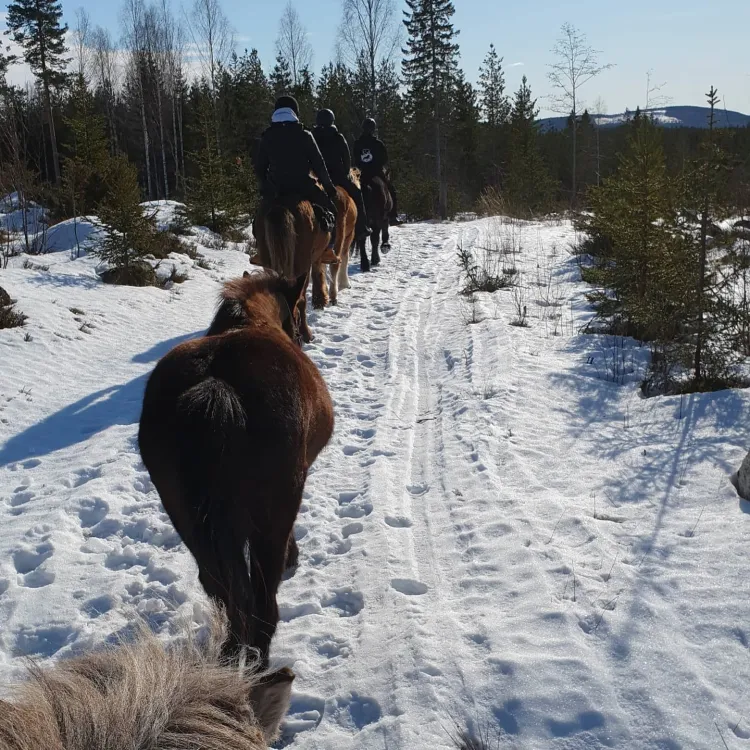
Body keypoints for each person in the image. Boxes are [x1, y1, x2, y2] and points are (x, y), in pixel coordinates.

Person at [254, 95, 339, 242]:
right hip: (303, 187)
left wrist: (264, 187)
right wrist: (329, 188)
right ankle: (328, 251)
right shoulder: (305, 135)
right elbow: (319, 165)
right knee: (332, 212)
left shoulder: (267, 136)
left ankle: (262, 253)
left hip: (276, 189)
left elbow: (260, 167)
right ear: (295, 112)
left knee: (257, 225)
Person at [312, 109, 370, 241]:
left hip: (318, 176)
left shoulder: (313, 136)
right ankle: (362, 227)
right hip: (337, 176)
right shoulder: (338, 136)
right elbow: (347, 158)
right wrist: (345, 173)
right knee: (357, 194)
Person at [353, 117, 400, 224]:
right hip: (376, 171)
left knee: (352, 188)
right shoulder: (378, 143)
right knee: (391, 189)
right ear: (373, 129)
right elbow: (384, 158)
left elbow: (355, 158)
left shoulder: (357, 143)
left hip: (361, 172)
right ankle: (393, 216)